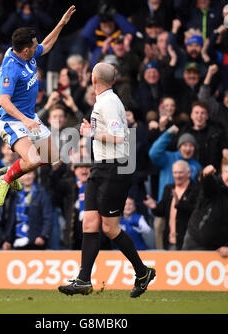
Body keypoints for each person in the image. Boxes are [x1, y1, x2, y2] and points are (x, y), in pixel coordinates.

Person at [58, 62, 156, 298]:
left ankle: (143, 272)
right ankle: (83, 280)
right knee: (89, 223)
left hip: (115, 168)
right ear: (112, 79)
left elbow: (120, 137)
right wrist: (90, 131)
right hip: (100, 167)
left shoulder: (110, 102)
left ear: (93, 79)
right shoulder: (103, 101)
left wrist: (90, 133)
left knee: (110, 229)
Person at [0, 5, 76, 207]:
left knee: (51, 156)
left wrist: (61, 24)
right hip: (11, 120)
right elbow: (4, 101)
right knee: (32, 160)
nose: (37, 46)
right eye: (34, 45)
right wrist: (26, 121)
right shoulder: (11, 68)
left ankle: (11, 170)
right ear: (24, 50)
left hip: (29, 117)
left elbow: (46, 45)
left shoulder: (27, 55)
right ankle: (5, 179)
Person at [144, 160, 199, 250]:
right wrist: (154, 207)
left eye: (180, 172)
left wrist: (179, 204)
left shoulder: (196, 189)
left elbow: (196, 211)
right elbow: (161, 211)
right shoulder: (169, 188)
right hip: (170, 240)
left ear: (188, 173)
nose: (177, 176)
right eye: (175, 173)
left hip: (188, 242)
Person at [182, 158, 228, 258]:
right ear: (222, 173)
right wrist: (205, 175)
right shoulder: (215, 185)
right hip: (195, 242)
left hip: (221, 251)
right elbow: (207, 185)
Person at [149, 124, 202, 202]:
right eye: (185, 145)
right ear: (179, 147)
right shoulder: (168, 158)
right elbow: (153, 153)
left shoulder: (197, 166)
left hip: (186, 208)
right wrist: (168, 134)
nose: (188, 149)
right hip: (165, 206)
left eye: (191, 146)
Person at [2, 170, 53, 250]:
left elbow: (48, 217)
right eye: (23, 175)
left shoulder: (42, 193)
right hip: (18, 242)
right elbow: (11, 220)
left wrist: (43, 236)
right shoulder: (15, 195)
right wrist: (7, 240)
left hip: (36, 241)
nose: (27, 177)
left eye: (29, 173)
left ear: (34, 175)